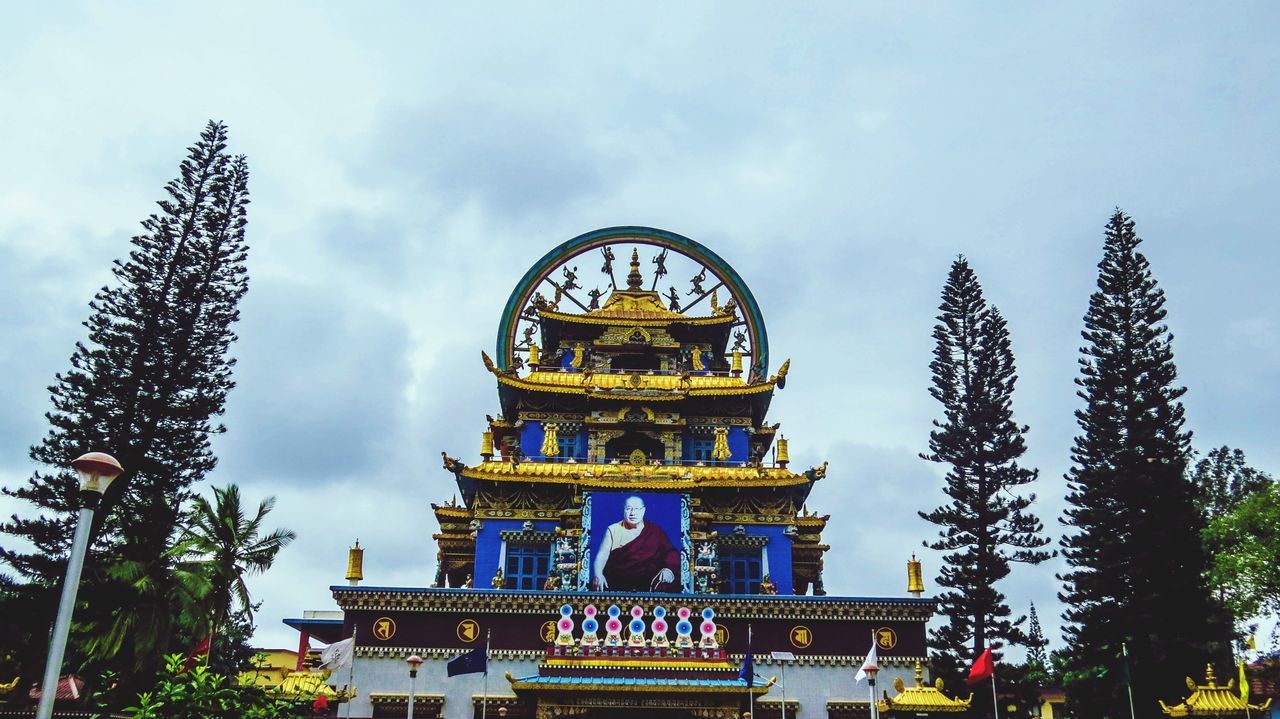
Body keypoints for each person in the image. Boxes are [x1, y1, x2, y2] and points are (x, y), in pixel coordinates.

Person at [592, 495, 680, 592]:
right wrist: (598, 574)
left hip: (648, 582)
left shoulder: (654, 531)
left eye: (637, 509)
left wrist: (669, 570)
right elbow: (602, 554)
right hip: (617, 582)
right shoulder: (613, 529)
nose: (632, 513)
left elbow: (670, 554)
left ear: (643, 510)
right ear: (623, 510)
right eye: (628, 508)